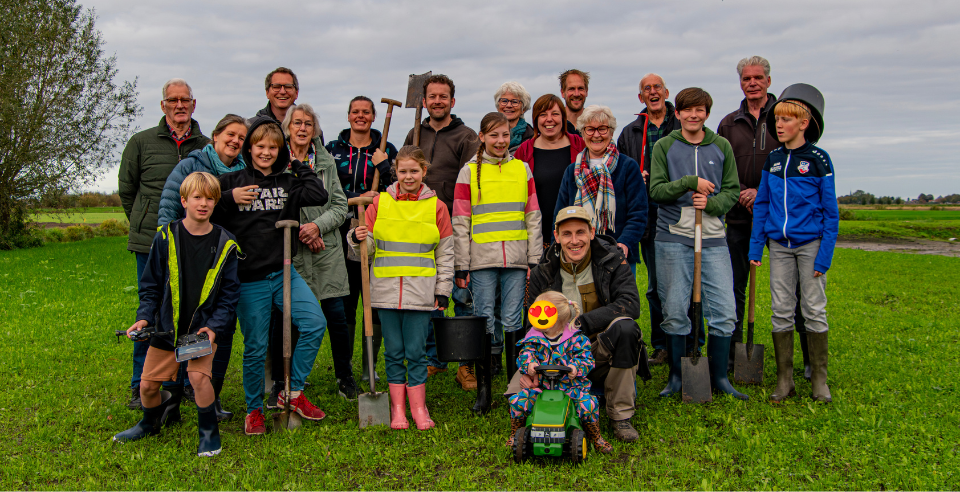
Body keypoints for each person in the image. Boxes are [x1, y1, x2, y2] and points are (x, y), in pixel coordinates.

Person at [213, 117, 329, 435]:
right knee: (255, 346)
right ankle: (254, 411)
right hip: (248, 279)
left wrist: (297, 164)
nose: (266, 152)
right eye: (260, 146)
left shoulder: (289, 183)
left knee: (314, 323)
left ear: (281, 151)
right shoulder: (231, 181)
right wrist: (230, 198)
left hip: (284, 273)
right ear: (249, 148)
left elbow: (318, 195)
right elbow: (203, 206)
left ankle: (292, 392)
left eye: (273, 147)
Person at [113, 172, 240, 458]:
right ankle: (149, 423)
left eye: (210, 198)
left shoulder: (226, 242)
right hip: (166, 328)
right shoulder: (165, 236)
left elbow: (229, 295)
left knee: (198, 379)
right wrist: (145, 317)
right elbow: (151, 286)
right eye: (197, 197)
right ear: (184, 201)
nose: (203, 204)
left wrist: (214, 327)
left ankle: (209, 433)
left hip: (201, 330)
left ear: (216, 203)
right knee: (147, 386)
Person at [649, 87, 746, 401]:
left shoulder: (721, 146)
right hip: (672, 237)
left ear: (706, 114)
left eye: (700, 110)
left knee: (725, 309)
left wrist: (712, 204)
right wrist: (689, 183)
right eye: (687, 110)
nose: (693, 115)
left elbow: (732, 191)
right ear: (677, 114)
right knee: (674, 308)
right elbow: (657, 191)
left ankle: (719, 378)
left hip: (713, 237)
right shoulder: (664, 145)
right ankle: (677, 377)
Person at [347, 145, 454, 430]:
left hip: (420, 293)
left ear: (424, 171)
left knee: (416, 352)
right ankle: (397, 409)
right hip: (385, 292)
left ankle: (419, 407)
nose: (408, 176)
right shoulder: (379, 204)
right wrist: (356, 238)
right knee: (393, 351)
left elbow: (446, 254)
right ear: (395, 171)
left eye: (414, 171)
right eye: (403, 171)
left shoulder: (437, 207)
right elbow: (367, 250)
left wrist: (443, 290)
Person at [517, 206, 646, 442]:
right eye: (567, 234)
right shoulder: (541, 272)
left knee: (626, 328)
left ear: (592, 232)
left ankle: (620, 416)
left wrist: (582, 323)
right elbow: (531, 327)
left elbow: (630, 304)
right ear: (556, 236)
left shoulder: (613, 260)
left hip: (599, 351)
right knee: (517, 392)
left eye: (580, 232)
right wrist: (529, 368)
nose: (574, 241)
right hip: (556, 356)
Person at [118, 78, 206, 410]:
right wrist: (145, 225)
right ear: (163, 105)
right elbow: (127, 191)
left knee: (191, 313)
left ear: (193, 104)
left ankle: (185, 381)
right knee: (152, 312)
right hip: (150, 242)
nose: (179, 105)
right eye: (173, 100)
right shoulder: (141, 142)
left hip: (194, 244)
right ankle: (141, 383)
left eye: (185, 100)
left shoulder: (206, 146)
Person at [156, 114, 248, 421]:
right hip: (187, 258)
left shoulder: (244, 172)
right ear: (216, 135)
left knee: (217, 328)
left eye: (241, 138)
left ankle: (207, 393)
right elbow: (170, 205)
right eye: (230, 134)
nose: (235, 141)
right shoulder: (192, 165)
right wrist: (167, 247)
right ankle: (170, 397)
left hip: (221, 256)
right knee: (180, 325)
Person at [749, 85, 837, 403]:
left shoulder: (819, 160)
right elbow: (762, 205)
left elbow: (831, 213)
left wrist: (824, 256)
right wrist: (756, 247)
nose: (779, 125)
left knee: (813, 309)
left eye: (786, 120)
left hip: (811, 245)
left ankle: (819, 381)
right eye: (777, 120)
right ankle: (785, 380)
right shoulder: (773, 160)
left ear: (803, 123)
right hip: (779, 247)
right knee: (781, 310)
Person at [717, 56, 803, 372]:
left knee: (792, 289)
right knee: (734, 288)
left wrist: (761, 193)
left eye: (757, 77)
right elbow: (721, 166)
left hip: (780, 218)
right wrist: (741, 191)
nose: (752, 83)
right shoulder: (728, 123)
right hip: (739, 217)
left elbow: (797, 164)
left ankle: (805, 360)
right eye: (746, 78)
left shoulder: (785, 116)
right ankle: (732, 357)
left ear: (768, 80)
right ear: (741, 83)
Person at [616, 74, 703, 365]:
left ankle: (693, 342)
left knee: (689, 282)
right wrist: (634, 177)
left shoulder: (681, 124)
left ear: (666, 93)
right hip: (648, 217)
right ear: (640, 97)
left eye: (657, 87)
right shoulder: (630, 132)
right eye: (646, 89)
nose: (652, 92)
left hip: (681, 212)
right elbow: (621, 170)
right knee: (657, 286)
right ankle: (662, 344)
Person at [453, 112, 543, 390]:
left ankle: (515, 386)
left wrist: (534, 259)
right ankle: (484, 390)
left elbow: (533, 216)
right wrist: (462, 265)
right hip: (481, 261)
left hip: (516, 260)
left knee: (513, 319)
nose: (501, 140)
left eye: (505, 134)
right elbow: (460, 221)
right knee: (485, 319)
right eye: (494, 135)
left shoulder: (522, 169)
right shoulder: (468, 172)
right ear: (482, 137)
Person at [402, 74, 480, 379]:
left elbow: (470, 183)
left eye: (443, 96)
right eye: (432, 96)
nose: (437, 101)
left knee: (461, 294)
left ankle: (465, 363)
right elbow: (405, 174)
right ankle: (434, 357)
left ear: (452, 101)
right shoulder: (414, 133)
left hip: (456, 227)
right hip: (420, 226)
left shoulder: (466, 136)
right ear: (424, 101)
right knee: (429, 294)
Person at [280, 104, 356, 399]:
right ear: (287, 128)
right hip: (292, 249)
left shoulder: (325, 162)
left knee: (336, 315)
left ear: (315, 130)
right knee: (292, 316)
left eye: (308, 124)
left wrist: (317, 227)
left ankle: (344, 376)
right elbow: (276, 202)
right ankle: (287, 378)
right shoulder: (278, 161)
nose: (302, 128)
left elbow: (339, 204)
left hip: (327, 249)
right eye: (297, 123)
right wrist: (302, 230)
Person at [327, 96, 399, 384]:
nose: (360, 116)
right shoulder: (332, 150)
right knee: (346, 302)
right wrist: (354, 198)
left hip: (377, 232)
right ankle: (344, 371)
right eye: (355, 112)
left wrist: (384, 167)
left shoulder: (386, 149)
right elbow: (325, 190)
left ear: (373, 116)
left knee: (376, 301)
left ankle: (370, 365)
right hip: (340, 231)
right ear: (348, 116)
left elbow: (400, 188)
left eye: (366, 112)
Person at [507, 290, 611, 454]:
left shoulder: (577, 339)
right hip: (542, 388)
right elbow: (524, 354)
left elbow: (586, 359)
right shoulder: (533, 338)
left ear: (557, 319)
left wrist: (576, 367)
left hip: (571, 387)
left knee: (588, 404)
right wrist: (529, 364)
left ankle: (595, 436)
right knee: (517, 401)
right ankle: (515, 434)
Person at [555, 105, 647, 274]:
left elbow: (638, 213)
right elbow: (560, 214)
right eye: (590, 129)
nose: (596, 135)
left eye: (602, 129)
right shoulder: (572, 171)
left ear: (611, 132)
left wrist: (625, 243)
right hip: (579, 255)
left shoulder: (627, 167)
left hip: (618, 255)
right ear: (582, 133)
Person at [514, 94, 586, 240]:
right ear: (535, 119)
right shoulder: (524, 151)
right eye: (543, 114)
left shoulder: (580, 146)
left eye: (555, 114)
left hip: (575, 236)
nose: (549, 119)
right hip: (537, 236)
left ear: (563, 118)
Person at [253, 67, 323, 143]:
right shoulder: (252, 127)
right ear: (267, 93)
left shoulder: (312, 130)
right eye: (276, 87)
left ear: (296, 93)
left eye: (288, 87)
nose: (282, 92)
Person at [493, 81, 534, 153]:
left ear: (523, 109)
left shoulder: (532, 138)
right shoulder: (486, 134)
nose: (508, 105)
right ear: (498, 106)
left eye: (515, 102)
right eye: (504, 101)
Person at [559, 69, 589, 136]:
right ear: (562, 93)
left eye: (580, 88)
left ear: (586, 91)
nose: (576, 94)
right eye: (571, 89)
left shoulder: (595, 124)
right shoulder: (554, 124)